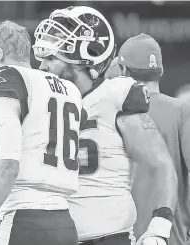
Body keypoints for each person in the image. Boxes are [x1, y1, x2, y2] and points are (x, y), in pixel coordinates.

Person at [33, 6, 178, 245]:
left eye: (51, 58)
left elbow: (162, 166)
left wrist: (160, 227)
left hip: (109, 238)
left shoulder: (115, 96)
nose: (42, 67)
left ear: (80, 58)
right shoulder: (43, 102)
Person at [0, 20, 82, 245]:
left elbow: (9, 167)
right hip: (66, 224)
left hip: (25, 223)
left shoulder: (8, 77)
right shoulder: (70, 89)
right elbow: (38, 173)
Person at [111, 33, 190, 245]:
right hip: (168, 235)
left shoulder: (113, 111)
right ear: (160, 71)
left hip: (117, 235)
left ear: (124, 70)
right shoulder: (182, 110)